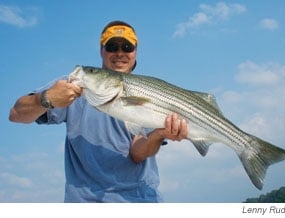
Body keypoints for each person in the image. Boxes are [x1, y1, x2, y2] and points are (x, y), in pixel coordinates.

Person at [9, 20, 188, 202]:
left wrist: (159, 133)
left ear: (135, 52)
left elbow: (137, 153)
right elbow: (16, 114)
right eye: (112, 46)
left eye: (127, 47)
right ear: (101, 50)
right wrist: (45, 98)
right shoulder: (72, 85)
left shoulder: (149, 93)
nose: (119, 53)